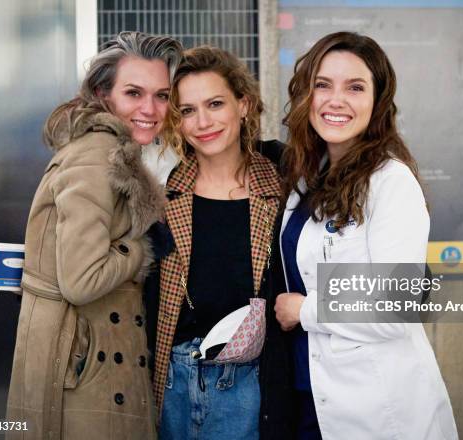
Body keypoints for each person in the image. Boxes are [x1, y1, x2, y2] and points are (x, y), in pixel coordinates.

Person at [274, 32, 459, 439]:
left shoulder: (391, 182)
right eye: (323, 85)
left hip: (378, 408)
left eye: (355, 87)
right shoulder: (308, 177)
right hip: (312, 400)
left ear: (377, 102)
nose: (335, 100)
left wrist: (303, 310)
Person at [3, 31, 182, 440]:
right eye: (134, 93)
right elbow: (82, 280)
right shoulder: (99, 155)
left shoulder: (110, 150)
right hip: (86, 371)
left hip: (87, 359)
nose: (150, 109)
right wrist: (141, 250)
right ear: (104, 94)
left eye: (161, 95)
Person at [152, 45, 293, 440]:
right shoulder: (162, 192)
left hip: (253, 382)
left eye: (215, 103)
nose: (203, 122)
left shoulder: (285, 184)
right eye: (187, 111)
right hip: (173, 382)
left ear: (243, 105)